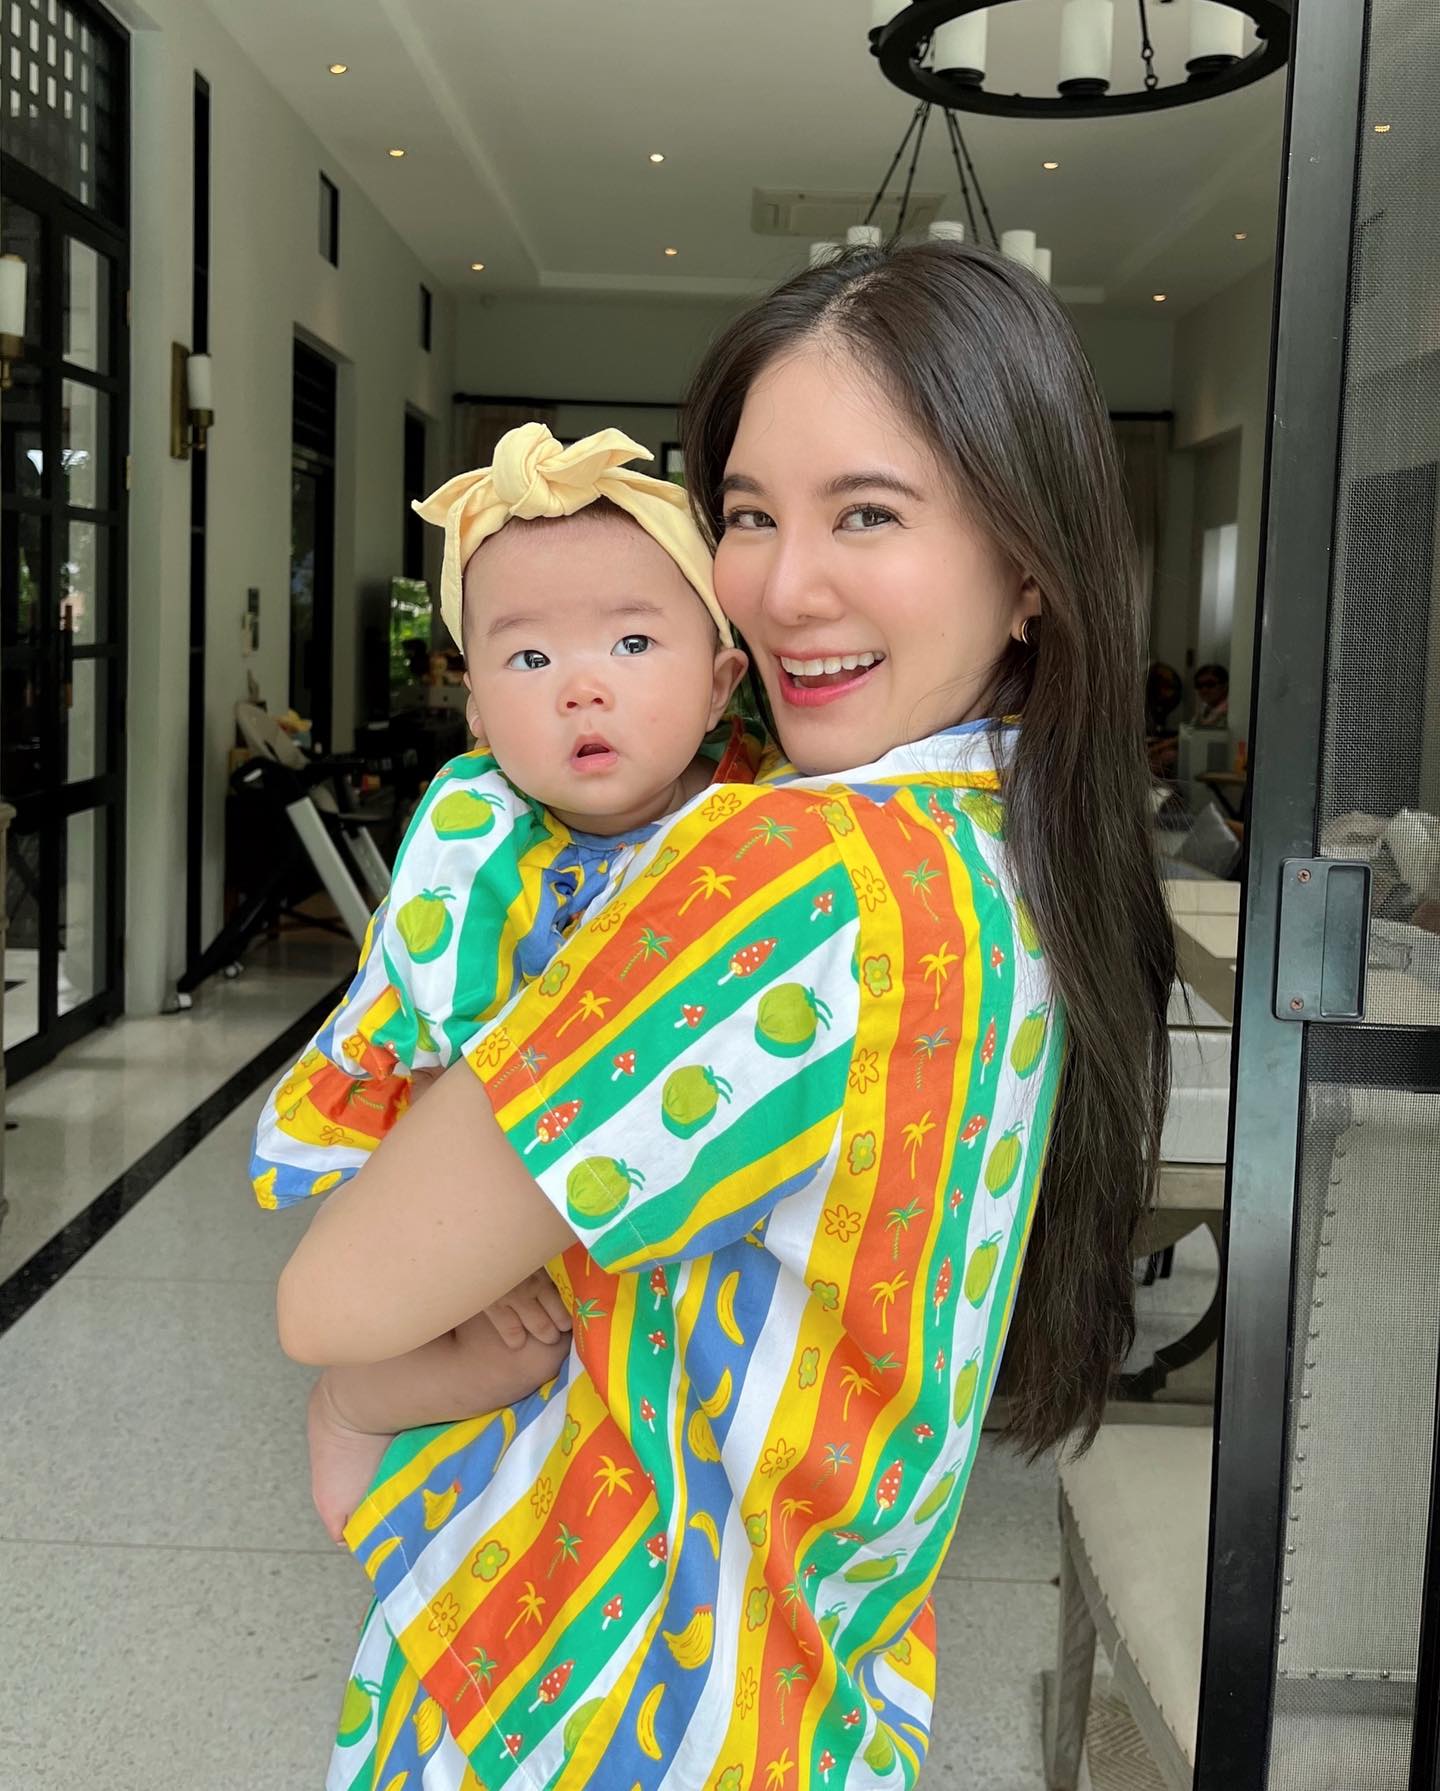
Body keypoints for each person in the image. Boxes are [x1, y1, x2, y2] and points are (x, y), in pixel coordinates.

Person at [275, 240, 1174, 1791]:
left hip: (590, 1710)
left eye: (868, 513)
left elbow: (332, 1300)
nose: (781, 587)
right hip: (806, 1700)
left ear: (1031, 565)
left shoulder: (789, 876)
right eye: (749, 515)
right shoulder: (1014, 850)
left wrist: (356, 1392)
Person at [251, 423, 751, 1537]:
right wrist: (482, 1262)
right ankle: (354, 1403)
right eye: (529, 660)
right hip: (447, 1122)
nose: (583, 688)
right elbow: (445, 1053)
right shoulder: (475, 828)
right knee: (515, 1350)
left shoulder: (746, 824)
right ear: (476, 709)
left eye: (633, 643)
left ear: (722, 682)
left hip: (592, 1140)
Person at [1191, 662, 1230, 728]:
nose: (1204, 690)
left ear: (1224, 686)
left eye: (1210, 684)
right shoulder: (1205, 707)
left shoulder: (1228, 711)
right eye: (1199, 685)